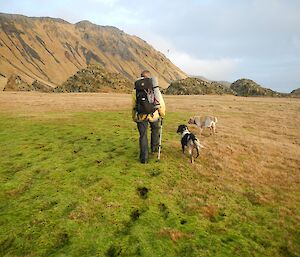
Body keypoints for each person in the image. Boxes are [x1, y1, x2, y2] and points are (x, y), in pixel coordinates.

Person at [132, 70, 166, 164]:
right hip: (153, 114)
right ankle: (154, 149)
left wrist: (133, 117)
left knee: (143, 135)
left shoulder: (136, 89)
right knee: (155, 129)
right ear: (149, 77)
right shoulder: (154, 87)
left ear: (141, 77)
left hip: (141, 116)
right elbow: (160, 102)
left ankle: (144, 158)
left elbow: (133, 105)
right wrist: (162, 114)